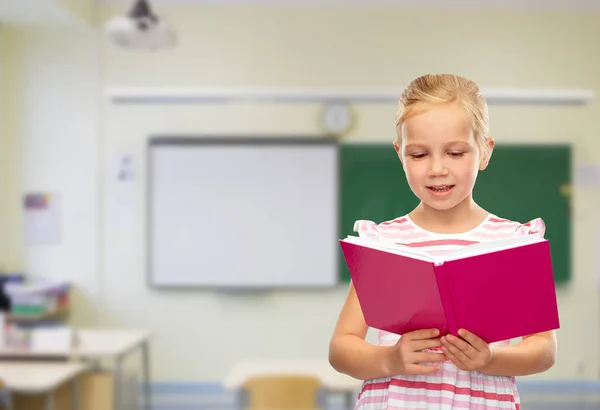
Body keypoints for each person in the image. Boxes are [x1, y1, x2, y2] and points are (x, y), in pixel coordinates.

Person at [328, 73, 557, 410]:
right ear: (400, 154)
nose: (436, 168)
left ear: (484, 151)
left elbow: (544, 349)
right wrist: (391, 358)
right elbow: (341, 348)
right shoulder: (384, 241)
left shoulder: (513, 242)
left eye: (454, 152)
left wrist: (491, 358)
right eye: (419, 155)